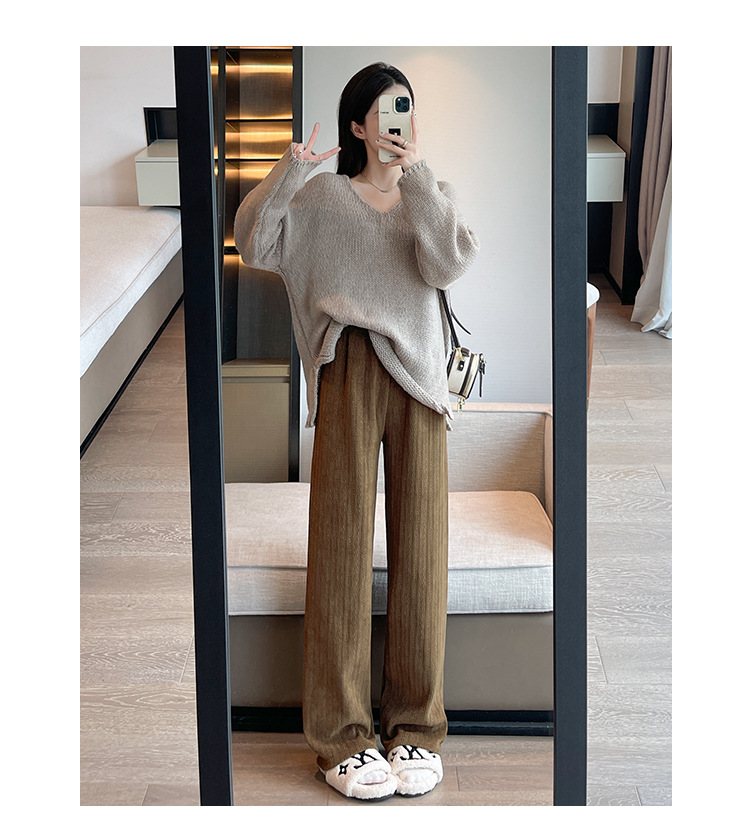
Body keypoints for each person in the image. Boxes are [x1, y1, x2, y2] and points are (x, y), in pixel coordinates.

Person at [234, 61, 480, 802]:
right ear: (357, 125)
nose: (401, 120)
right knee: (340, 550)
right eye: (387, 109)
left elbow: (450, 262)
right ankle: (341, 738)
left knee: (422, 553)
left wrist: (418, 177)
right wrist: (290, 169)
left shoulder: (429, 194)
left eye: (408, 107)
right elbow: (255, 242)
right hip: (346, 370)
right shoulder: (323, 198)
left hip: (420, 383)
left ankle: (416, 728)